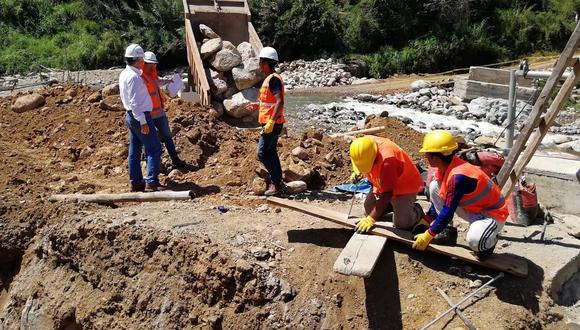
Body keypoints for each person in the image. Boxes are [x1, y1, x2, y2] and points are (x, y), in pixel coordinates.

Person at [412, 130, 509, 260]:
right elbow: (441, 198)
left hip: (493, 215)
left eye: (427, 155)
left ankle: (490, 241)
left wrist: (428, 235)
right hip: (474, 210)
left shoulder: (458, 177)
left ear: (435, 157)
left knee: (475, 241)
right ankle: (447, 231)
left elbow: (448, 210)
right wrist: (427, 220)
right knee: (435, 186)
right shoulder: (446, 168)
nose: (426, 158)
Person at [349, 136, 425, 233]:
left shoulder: (387, 160)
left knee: (402, 224)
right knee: (368, 210)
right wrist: (357, 171)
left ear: (374, 157)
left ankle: (416, 211)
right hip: (382, 183)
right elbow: (359, 159)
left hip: (404, 186)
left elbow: (387, 193)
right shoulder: (362, 145)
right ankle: (391, 205)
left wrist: (371, 219)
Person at [119, 44, 163, 192]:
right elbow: (134, 102)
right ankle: (151, 182)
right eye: (142, 59)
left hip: (132, 116)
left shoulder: (125, 73)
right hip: (139, 116)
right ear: (138, 60)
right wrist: (143, 121)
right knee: (154, 148)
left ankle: (137, 183)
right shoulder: (134, 77)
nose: (144, 62)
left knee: (135, 150)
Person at [246, 46, 286, 196]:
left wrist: (270, 122)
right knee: (270, 151)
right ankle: (278, 182)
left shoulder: (273, 80)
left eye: (260, 62)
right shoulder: (271, 79)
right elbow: (270, 101)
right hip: (273, 122)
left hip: (272, 123)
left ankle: (276, 183)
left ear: (266, 63)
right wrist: (257, 104)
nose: (259, 65)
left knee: (262, 152)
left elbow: (279, 102)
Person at [141, 51, 187, 168]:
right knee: (150, 142)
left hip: (159, 113)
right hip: (148, 116)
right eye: (152, 64)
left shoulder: (151, 75)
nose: (154, 66)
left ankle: (175, 159)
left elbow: (157, 83)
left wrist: (167, 81)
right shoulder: (140, 78)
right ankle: (151, 166)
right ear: (145, 63)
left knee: (167, 136)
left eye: (155, 64)